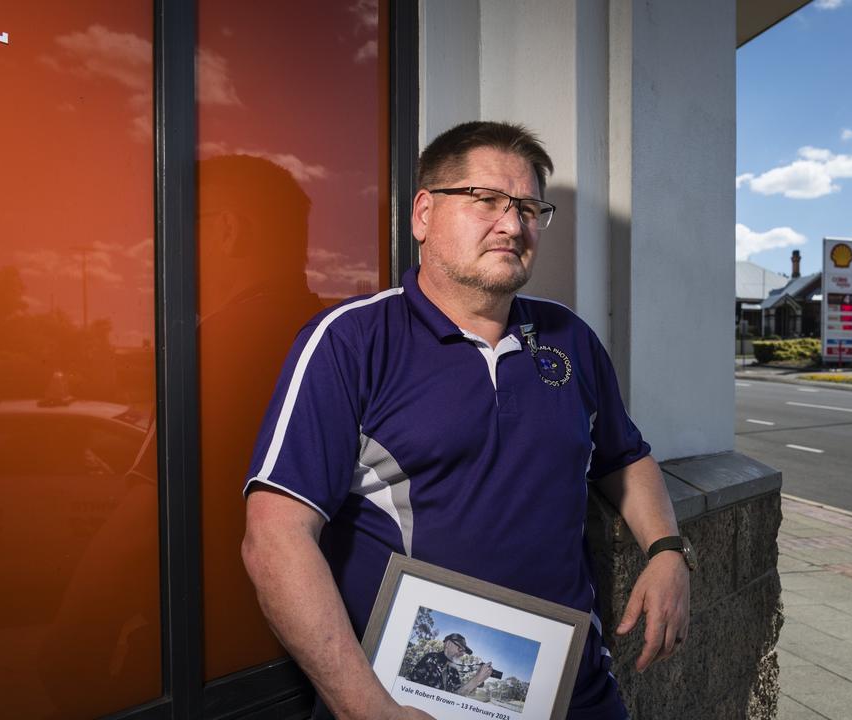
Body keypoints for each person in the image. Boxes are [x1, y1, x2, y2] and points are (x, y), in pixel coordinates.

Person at [241, 121, 691, 720]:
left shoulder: (571, 341)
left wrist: (666, 550)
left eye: (529, 207)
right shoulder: (351, 343)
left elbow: (623, 456)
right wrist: (365, 708)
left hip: (572, 693)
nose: (512, 224)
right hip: (406, 701)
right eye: (487, 201)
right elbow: (274, 538)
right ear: (424, 213)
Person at [405, 633, 491, 697]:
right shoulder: (431, 659)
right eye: (460, 648)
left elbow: (457, 695)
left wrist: (478, 680)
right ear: (448, 644)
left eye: (464, 652)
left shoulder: (453, 671)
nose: (462, 654)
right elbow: (412, 689)